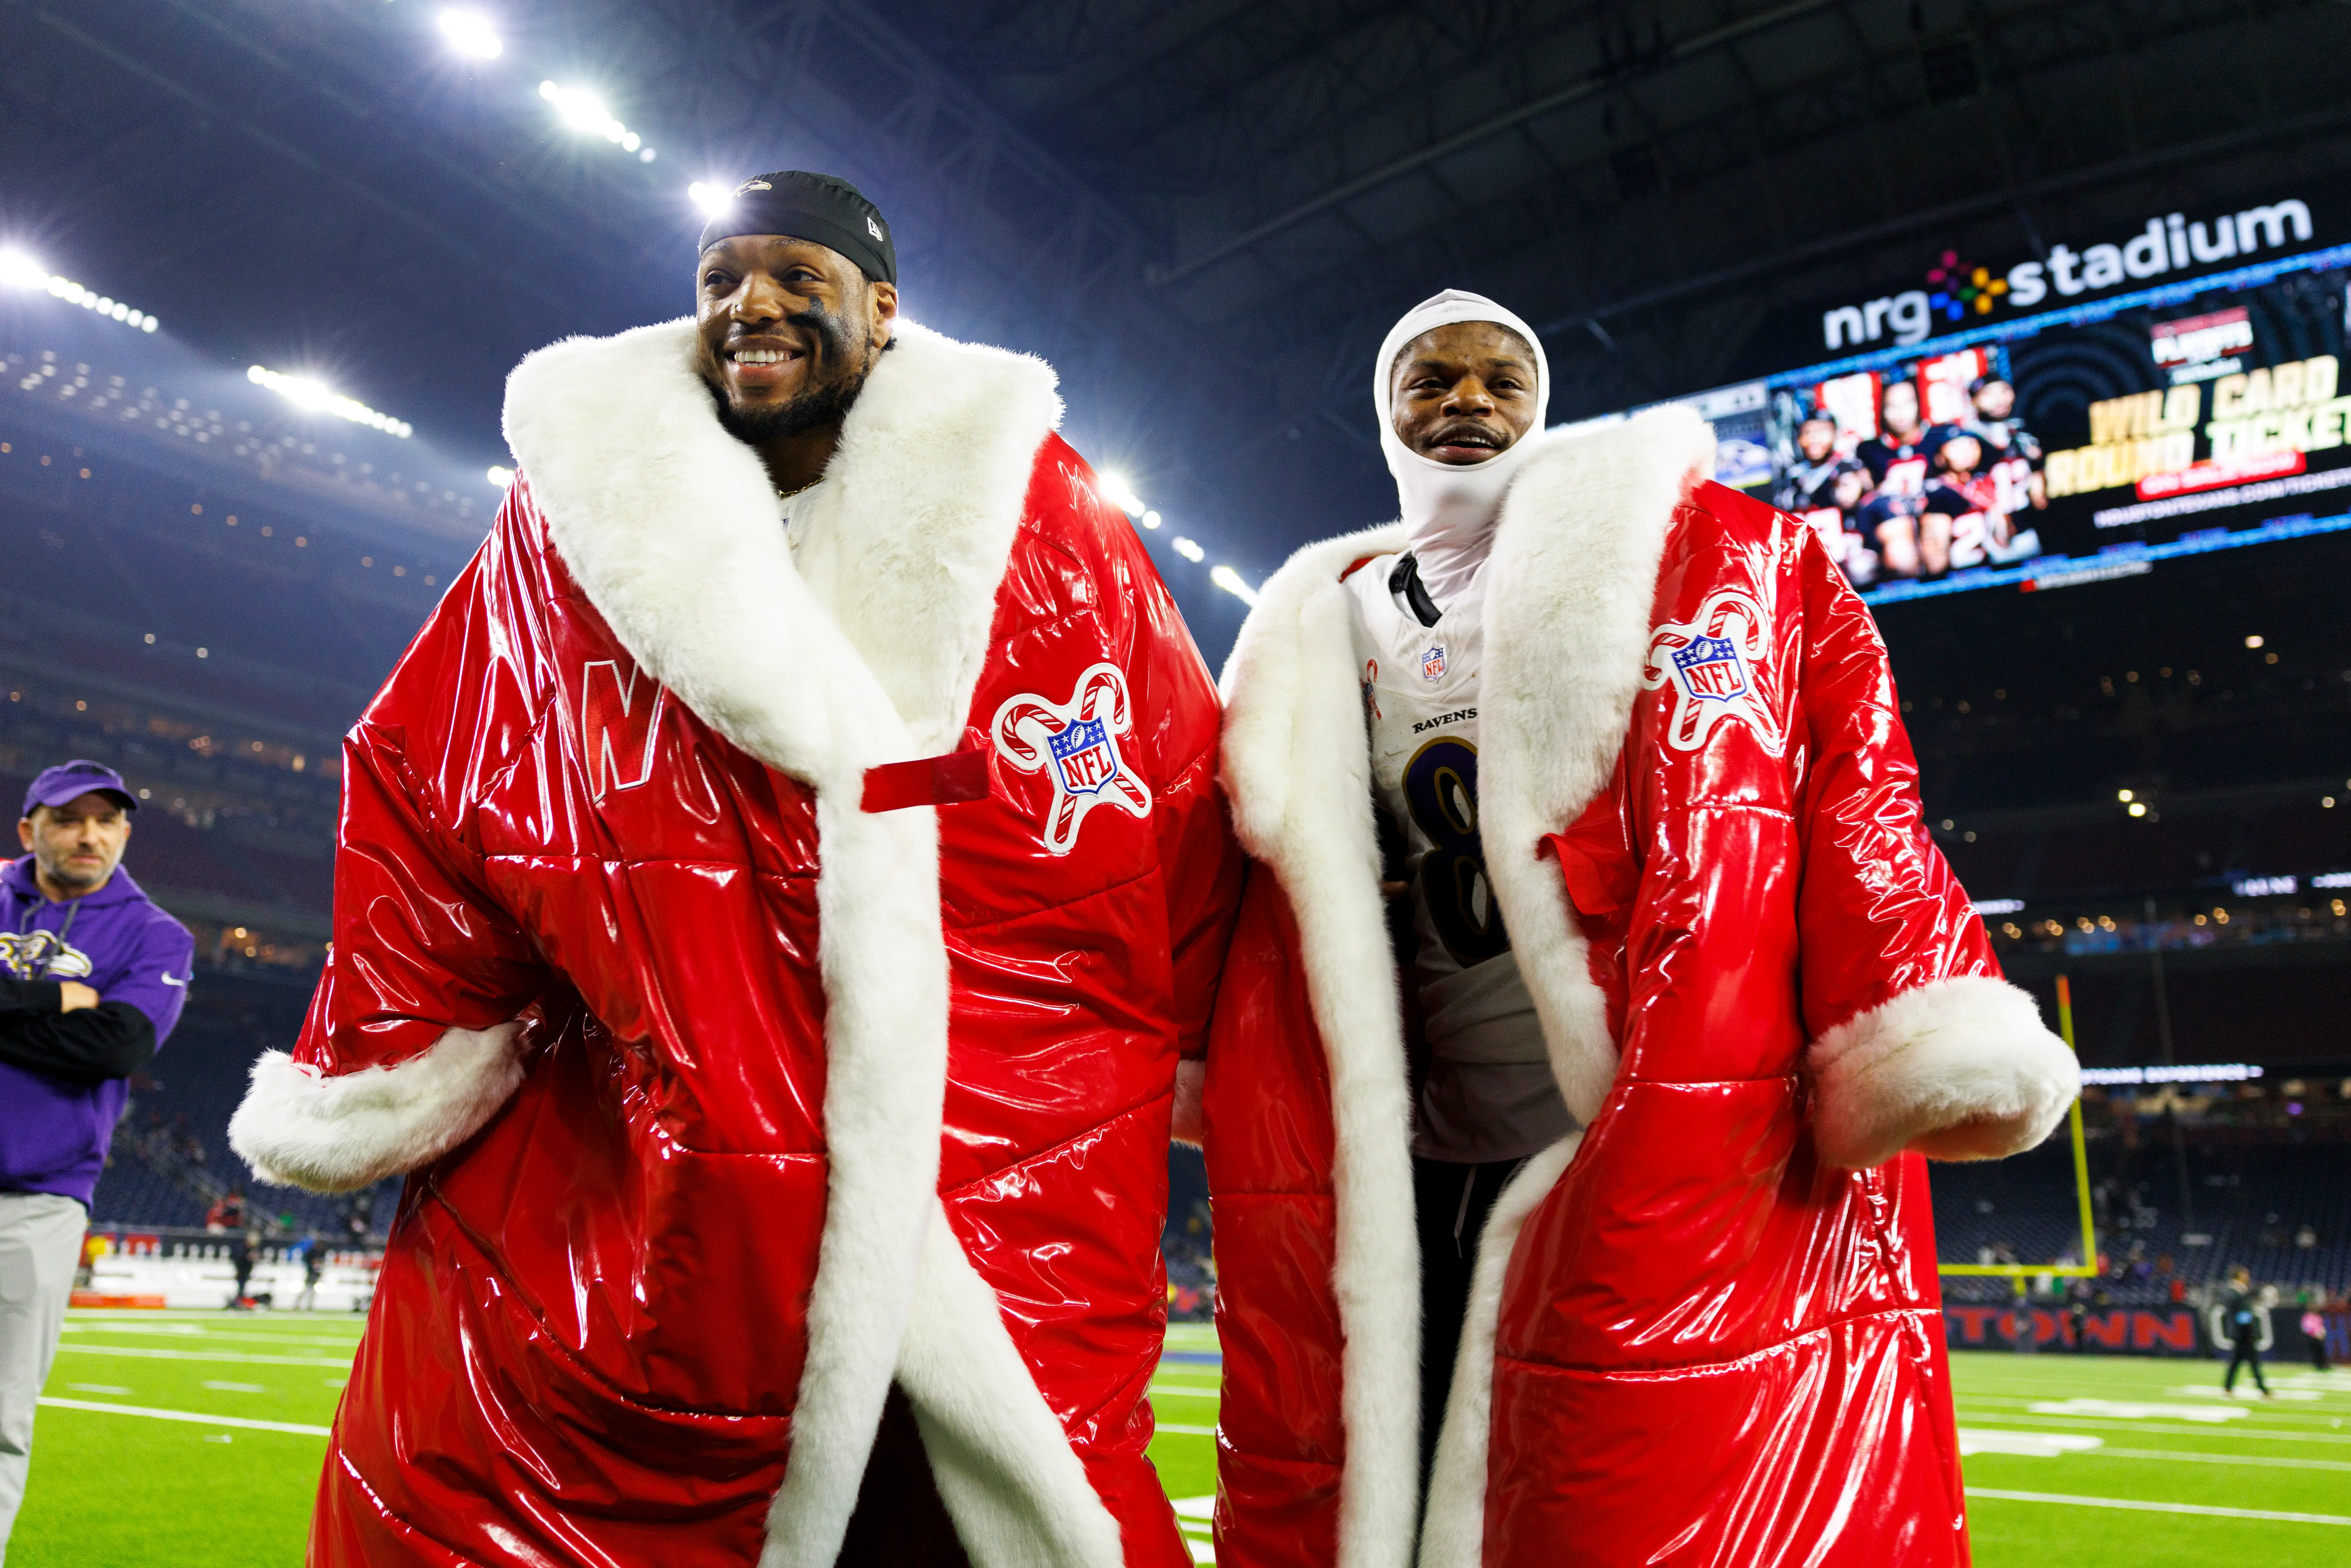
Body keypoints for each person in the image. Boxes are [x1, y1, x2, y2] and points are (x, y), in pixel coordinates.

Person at [229, 169, 1241, 1567]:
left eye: (794, 277)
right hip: (665, 1158)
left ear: (880, 313)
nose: (750, 306)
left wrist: (1198, 1049)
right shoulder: (563, 537)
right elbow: (427, 781)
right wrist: (394, 1058)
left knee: (972, 1518)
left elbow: (1170, 811)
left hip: (1004, 1153)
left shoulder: (1055, 533)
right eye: (720, 282)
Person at [1205, 289, 2079, 1568]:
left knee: (1616, 1499)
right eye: (1431, 378)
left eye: (1502, 378)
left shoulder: (1680, 566)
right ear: (1384, 410)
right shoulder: (1311, 619)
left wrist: (1914, 1003)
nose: (1467, 402)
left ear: (1542, 407)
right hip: (1409, 1153)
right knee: (1384, 1489)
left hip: (1623, 1125)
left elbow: (1853, 785)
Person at [0, 761, 195, 1562]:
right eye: (69, 818)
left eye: (106, 820)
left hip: (40, 1198)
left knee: (1, 1415)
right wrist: (55, 1000)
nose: (89, 835)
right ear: (29, 830)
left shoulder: (157, 933)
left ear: (125, 831)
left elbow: (119, 1044)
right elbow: (83, 1028)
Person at [2221, 1265, 2273, 1396]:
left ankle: (2228, 1388)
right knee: (2253, 1362)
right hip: (2243, 1334)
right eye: (2245, 1274)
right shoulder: (2234, 1292)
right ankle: (2264, 1391)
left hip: (2241, 1333)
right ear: (2238, 1276)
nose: (2248, 1277)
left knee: (2236, 1362)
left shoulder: (2238, 1292)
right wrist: (2250, 1331)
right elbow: (2242, 1315)